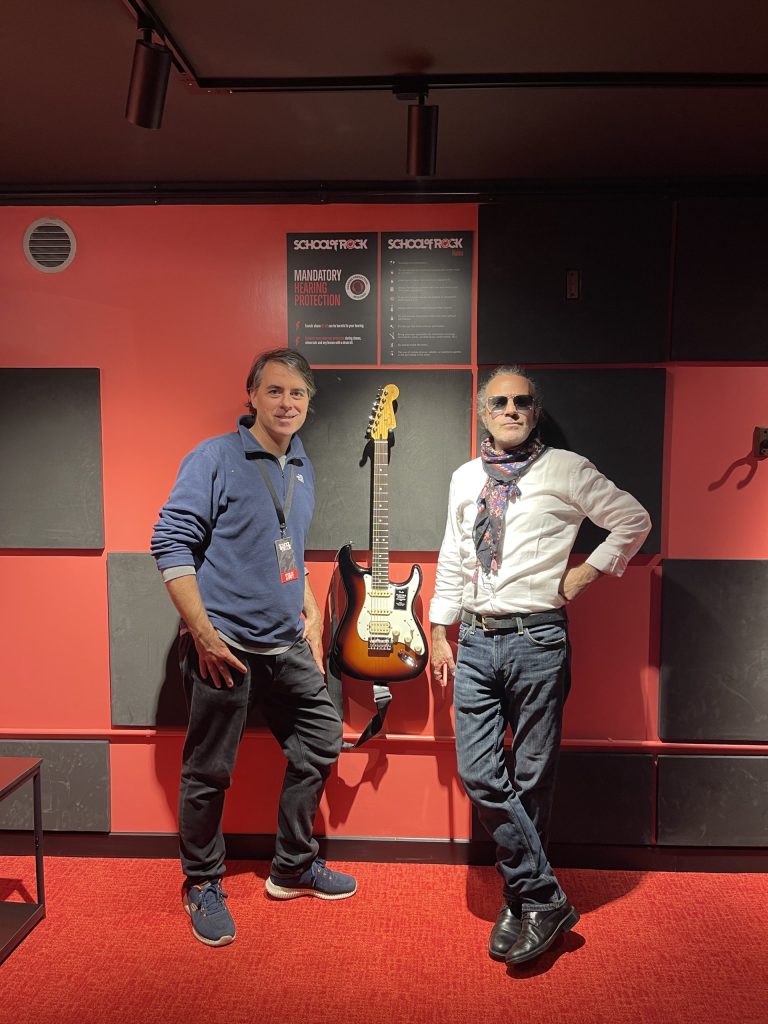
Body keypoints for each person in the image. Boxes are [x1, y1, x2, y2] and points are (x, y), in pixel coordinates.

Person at [429, 366, 650, 967]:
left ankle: (521, 900)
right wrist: (439, 625)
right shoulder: (465, 477)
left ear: (535, 410)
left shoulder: (567, 469)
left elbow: (633, 519)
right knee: (480, 773)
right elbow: (454, 549)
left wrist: (585, 573)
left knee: (531, 779)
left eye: (521, 401)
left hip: (538, 640)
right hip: (474, 639)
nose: (510, 408)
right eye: (498, 401)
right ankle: (543, 896)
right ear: (483, 411)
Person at [151, 347, 356, 948]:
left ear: (309, 403)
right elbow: (170, 544)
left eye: (297, 394)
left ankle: (292, 866)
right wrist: (204, 634)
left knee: (320, 740)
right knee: (209, 772)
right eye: (274, 391)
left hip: (287, 643)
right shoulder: (215, 457)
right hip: (227, 646)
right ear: (252, 395)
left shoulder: (301, 465)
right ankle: (202, 883)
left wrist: (312, 611)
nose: (286, 403)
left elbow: (289, 545)